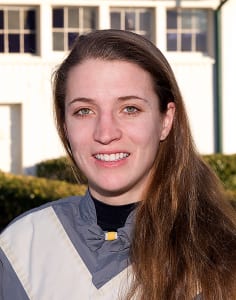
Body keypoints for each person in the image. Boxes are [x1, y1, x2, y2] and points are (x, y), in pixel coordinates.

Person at [0, 29, 236, 300]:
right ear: (65, 126)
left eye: (130, 109)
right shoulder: (20, 247)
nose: (105, 133)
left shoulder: (221, 263)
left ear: (166, 120)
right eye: (84, 111)